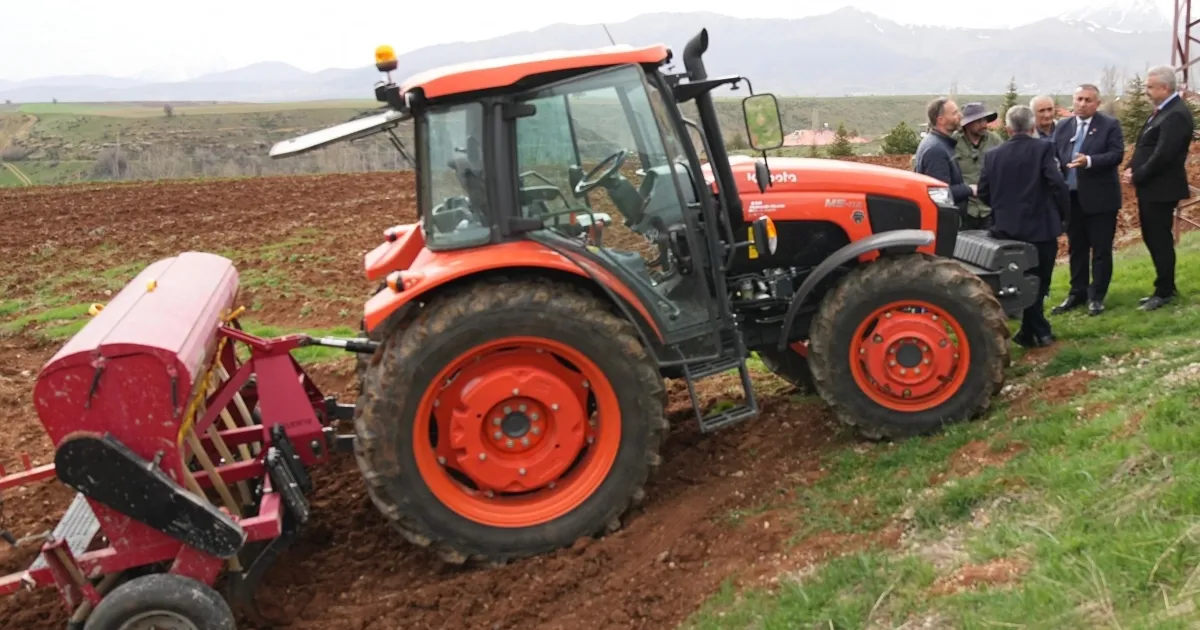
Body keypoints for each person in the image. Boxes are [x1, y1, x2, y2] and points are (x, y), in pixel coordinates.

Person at [977, 105, 1070, 348]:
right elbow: (1057, 184)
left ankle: (1028, 333)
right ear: (1032, 127)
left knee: (1022, 280)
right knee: (1040, 280)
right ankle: (1042, 331)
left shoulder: (993, 155)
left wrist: (1004, 208)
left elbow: (984, 192)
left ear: (1007, 129)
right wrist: (1063, 214)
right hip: (1041, 227)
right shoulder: (1043, 148)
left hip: (1006, 230)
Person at [1050, 83, 1125, 317]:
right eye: (1079, 99)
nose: (1082, 104)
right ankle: (1077, 292)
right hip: (1072, 198)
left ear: (1097, 104)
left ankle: (1097, 296)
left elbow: (1116, 155)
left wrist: (1090, 161)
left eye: (1088, 100)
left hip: (1101, 199)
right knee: (1077, 247)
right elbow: (1054, 154)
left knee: (1101, 249)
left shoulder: (1109, 125)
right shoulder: (1063, 126)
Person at [1125, 65, 1195, 311]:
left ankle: (1164, 291)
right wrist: (1132, 167)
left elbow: (1163, 155)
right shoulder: (1162, 111)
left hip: (1161, 188)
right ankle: (1165, 287)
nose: (1146, 91)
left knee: (1159, 239)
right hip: (1152, 187)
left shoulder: (1175, 114)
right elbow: (1146, 144)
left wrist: (1139, 175)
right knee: (1154, 237)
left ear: (1164, 88)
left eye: (1149, 87)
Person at [914, 97, 975, 219]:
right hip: (943, 224)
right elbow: (939, 193)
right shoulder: (936, 150)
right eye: (954, 113)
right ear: (941, 120)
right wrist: (969, 189)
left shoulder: (939, 144)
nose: (960, 116)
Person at [953, 102, 1005, 229]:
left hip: (989, 209)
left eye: (985, 120)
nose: (984, 124)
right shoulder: (953, 142)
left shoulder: (995, 140)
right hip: (964, 209)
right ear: (967, 124)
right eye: (978, 121)